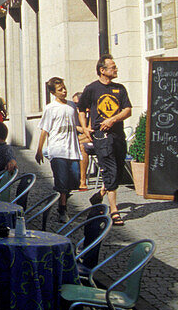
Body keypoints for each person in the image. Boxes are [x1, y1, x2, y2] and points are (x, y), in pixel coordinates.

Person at [77, 55, 132, 225]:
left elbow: (128, 110)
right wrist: (85, 127)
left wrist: (113, 119)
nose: (116, 70)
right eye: (113, 67)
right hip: (101, 136)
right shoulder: (92, 89)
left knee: (118, 170)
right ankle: (114, 211)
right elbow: (80, 109)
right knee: (110, 169)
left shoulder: (120, 89)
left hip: (118, 135)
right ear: (102, 70)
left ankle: (101, 193)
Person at [36, 77, 83, 222]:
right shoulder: (50, 108)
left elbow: (75, 125)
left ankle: (63, 197)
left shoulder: (71, 106)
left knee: (75, 179)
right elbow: (45, 130)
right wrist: (39, 150)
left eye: (64, 88)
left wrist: (87, 131)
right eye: (60, 90)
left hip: (72, 149)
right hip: (57, 149)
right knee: (62, 180)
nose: (64, 91)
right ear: (53, 92)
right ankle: (62, 209)